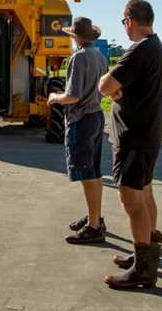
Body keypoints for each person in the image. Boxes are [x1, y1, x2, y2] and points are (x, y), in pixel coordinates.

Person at [98, 0, 162, 289]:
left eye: (123, 22)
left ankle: (143, 270)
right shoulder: (158, 47)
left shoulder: (139, 50)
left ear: (129, 20)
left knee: (131, 199)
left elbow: (105, 86)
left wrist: (117, 95)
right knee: (145, 192)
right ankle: (144, 255)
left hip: (134, 137)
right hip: (148, 135)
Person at [48, 17, 108, 244]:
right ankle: (95, 217)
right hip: (96, 116)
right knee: (94, 171)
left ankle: (94, 227)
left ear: (75, 38)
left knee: (86, 175)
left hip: (80, 118)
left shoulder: (79, 58)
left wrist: (55, 97)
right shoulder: (100, 57)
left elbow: (72, 95)